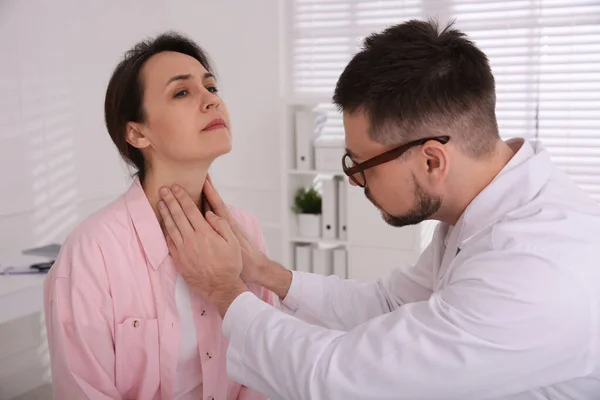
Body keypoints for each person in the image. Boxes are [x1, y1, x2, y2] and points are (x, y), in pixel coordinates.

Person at [157, 19, 600, 400]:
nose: (354, 179)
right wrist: (267, 274)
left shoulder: (533, 270)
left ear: (431, 160)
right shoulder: (480, 209)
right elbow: (390, 304)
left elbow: (342, 378)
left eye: (361, 163)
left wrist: (221, 289)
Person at [43, 32, 273, 400]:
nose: (211, 100)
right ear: (137, 132)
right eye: (182, 92)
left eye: (211, 87)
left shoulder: (245, 230)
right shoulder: (91, 253)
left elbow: (264, 369)